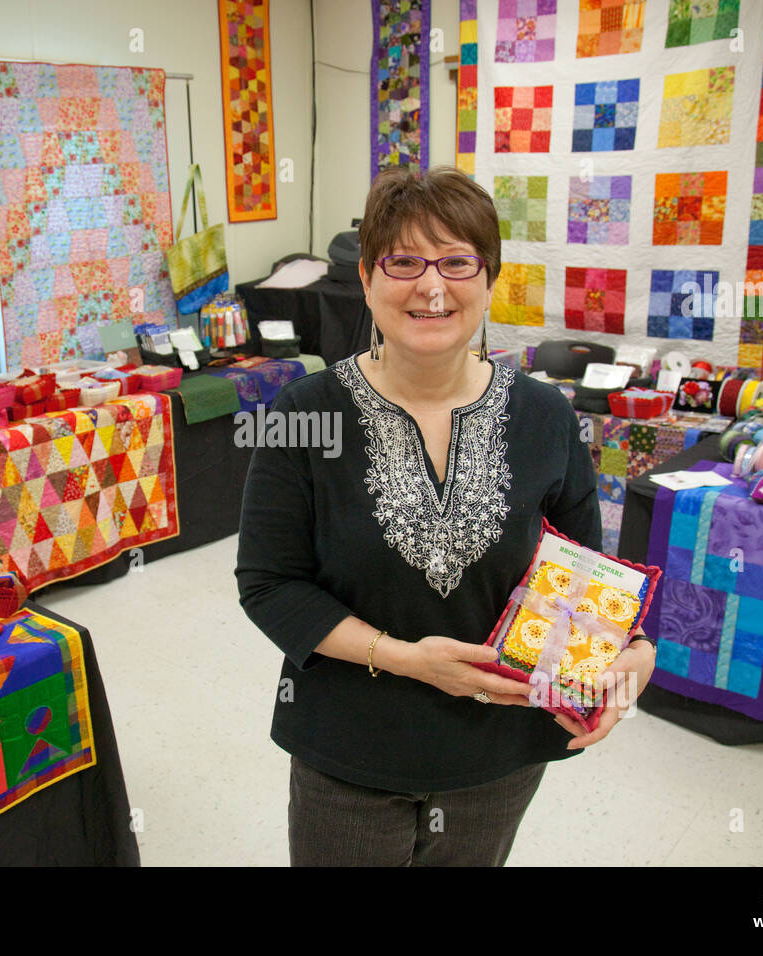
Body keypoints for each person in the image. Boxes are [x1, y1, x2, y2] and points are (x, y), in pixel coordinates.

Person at [234, 165, 656, 867]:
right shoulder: (303, 416)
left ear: (490, 279)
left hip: (500, 751)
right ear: (366, 278)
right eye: (404, 262)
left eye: (458, 261)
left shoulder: (546, 416)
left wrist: (634, 654)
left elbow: (589, 582)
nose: (432, 286)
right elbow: (269, 584)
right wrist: (404, 660)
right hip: (350, 753)